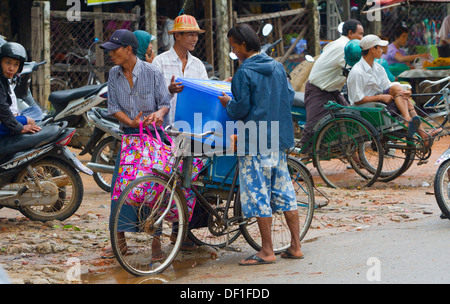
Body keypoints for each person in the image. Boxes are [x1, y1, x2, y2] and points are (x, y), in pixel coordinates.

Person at [218, 24, 303, 265]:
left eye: (234, 46)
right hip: (277, 140)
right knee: (285, 192)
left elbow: (240, 108)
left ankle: (267, 251)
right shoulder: (277, 67)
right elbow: (288, 97)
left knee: (258, 194)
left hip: (253, 141)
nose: (234, 51)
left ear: (244, 45)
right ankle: (295, 246)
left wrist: (227, 103)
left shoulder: (244, 72)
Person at [99, 29, 171, 259]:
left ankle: (156, 244)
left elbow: (164, 103)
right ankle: (119, 242)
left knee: (153, 189)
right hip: (129, 137)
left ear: (128, 50)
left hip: (152, 138)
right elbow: (113, 107)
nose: (110, 55)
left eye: (114, 50)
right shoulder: (113, 73)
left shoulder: (152, 71)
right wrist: (131, 121)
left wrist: (158, 115)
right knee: (120, 189)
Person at [347, 35, 440, 147]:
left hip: (379, 105)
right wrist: (381, 97)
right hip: (366, 109)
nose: (382, 50)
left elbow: (388, 86)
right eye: (379, 48)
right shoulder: (357, 72)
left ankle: (415, 128)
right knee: (399, 92)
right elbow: (357, 100)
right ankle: (419, 130)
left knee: (402, 94)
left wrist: (405, 90)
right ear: (372, 49)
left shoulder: (378, 67)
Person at [299, 19, 364, 155]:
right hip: (318, 90)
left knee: (351, 117)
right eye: (360, 34)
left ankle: (353, 156)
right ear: (351, 33)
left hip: (332, 91)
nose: (362, 38)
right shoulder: (344, 47)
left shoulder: (341, 44)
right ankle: (301, 162)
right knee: (313, 127)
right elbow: (355, 69)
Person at [152, 14, 208, 127]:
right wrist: (169, 91)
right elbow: (152, 97)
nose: (195, 39)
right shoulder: (160, 62)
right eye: (191, 35)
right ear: (177, 36)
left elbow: (204, 93)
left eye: (196, 35)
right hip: (166, 128)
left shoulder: (198, 65)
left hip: (192, 128)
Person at [0, 42, 41, 138]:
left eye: (16, 64)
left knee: (36, 111)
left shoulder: (4, 79)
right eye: (8, 63)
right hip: (4, 119)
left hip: (5, 118)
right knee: (29, 121)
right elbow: (2, 108)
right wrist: (20, 128)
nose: (11, 68)